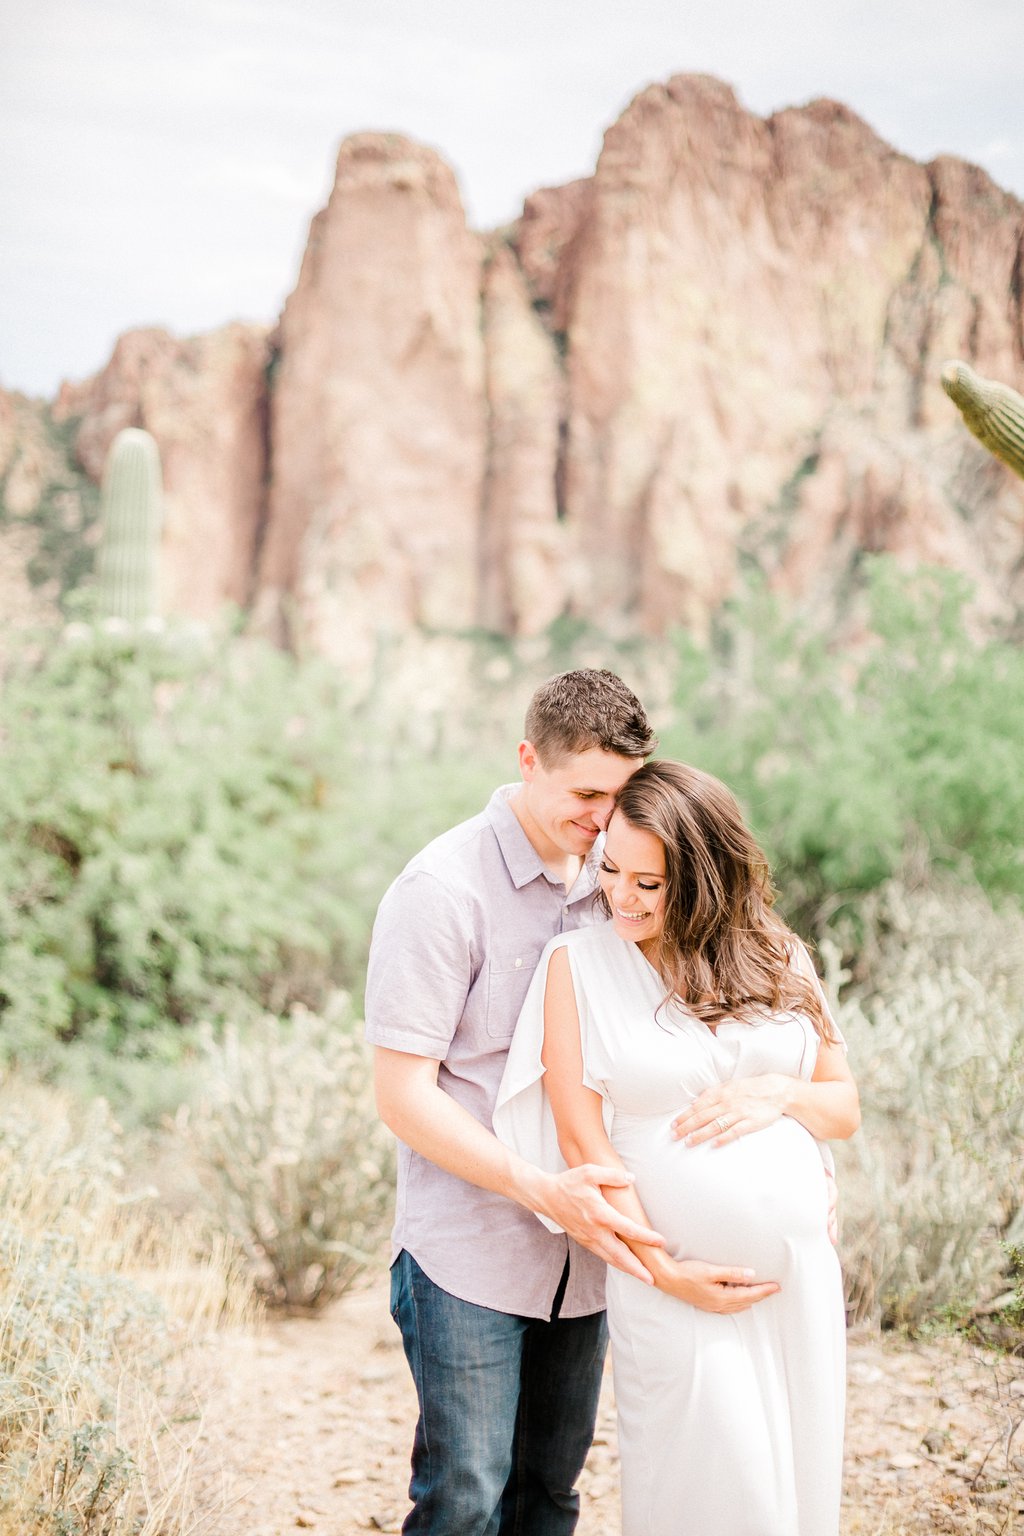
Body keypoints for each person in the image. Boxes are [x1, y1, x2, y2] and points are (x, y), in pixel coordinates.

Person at [494, 759, 860, 1536]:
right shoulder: (578, 966)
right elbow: (581, 1138)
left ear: (703, 879)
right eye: (611, 870)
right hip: (673, 1283)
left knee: (793, 1488)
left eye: (649, 884)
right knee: (714, 1491)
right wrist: (664, 1272)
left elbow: (843, 1107)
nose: (620, 896)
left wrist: (780, 1093)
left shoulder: (781, 954)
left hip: (797, 1278)